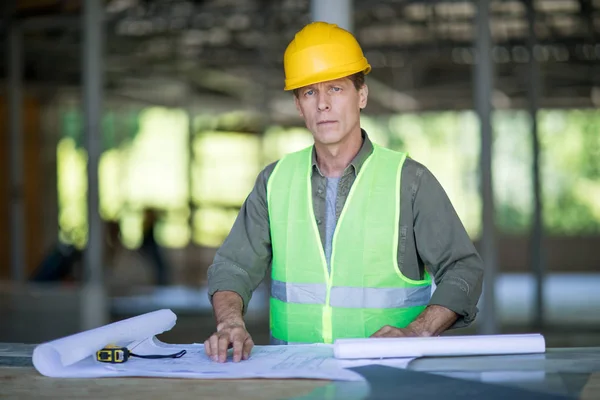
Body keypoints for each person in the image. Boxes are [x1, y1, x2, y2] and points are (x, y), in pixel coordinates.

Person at [204, 21, 484, 363]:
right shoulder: (274, 181)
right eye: (309, 92)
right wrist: (230, 322)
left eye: (335, 89)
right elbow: (233, 265)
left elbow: (462, 268)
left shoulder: (409, 181)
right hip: (295, 376)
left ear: (361, 95)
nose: (323, 104)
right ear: (298, 105)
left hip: (388, 377)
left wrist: (415, 332)